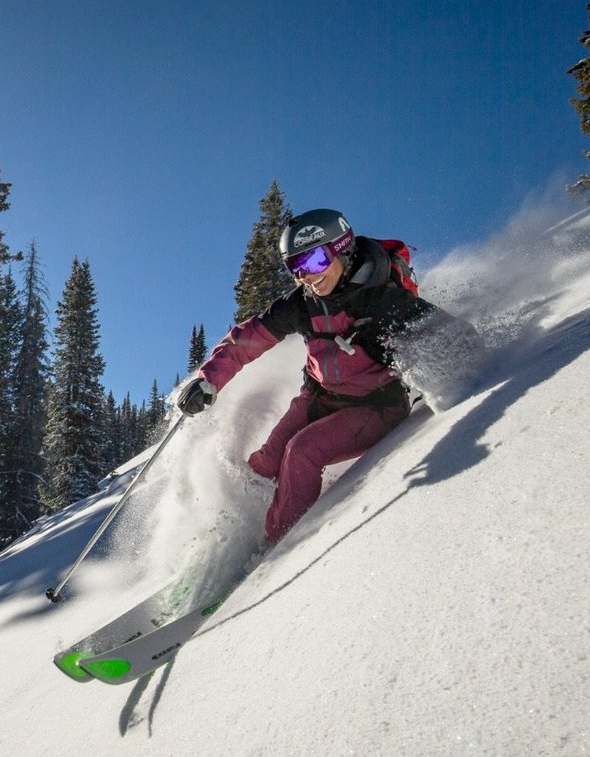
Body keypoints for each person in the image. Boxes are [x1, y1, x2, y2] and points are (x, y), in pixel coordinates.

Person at [175, 208, 479, 545]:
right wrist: (208, 379)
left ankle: (274, 548)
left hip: (375, 408)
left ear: (342, 248)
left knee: (302, 451)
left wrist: (452, 377)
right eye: (296, 267)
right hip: (318, 398)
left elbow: (453, 335)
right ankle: (241, 532)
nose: (308, 276)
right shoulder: (302, 304)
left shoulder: (381, 299)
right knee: (265, 461)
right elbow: (247, 339)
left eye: (316, 261)